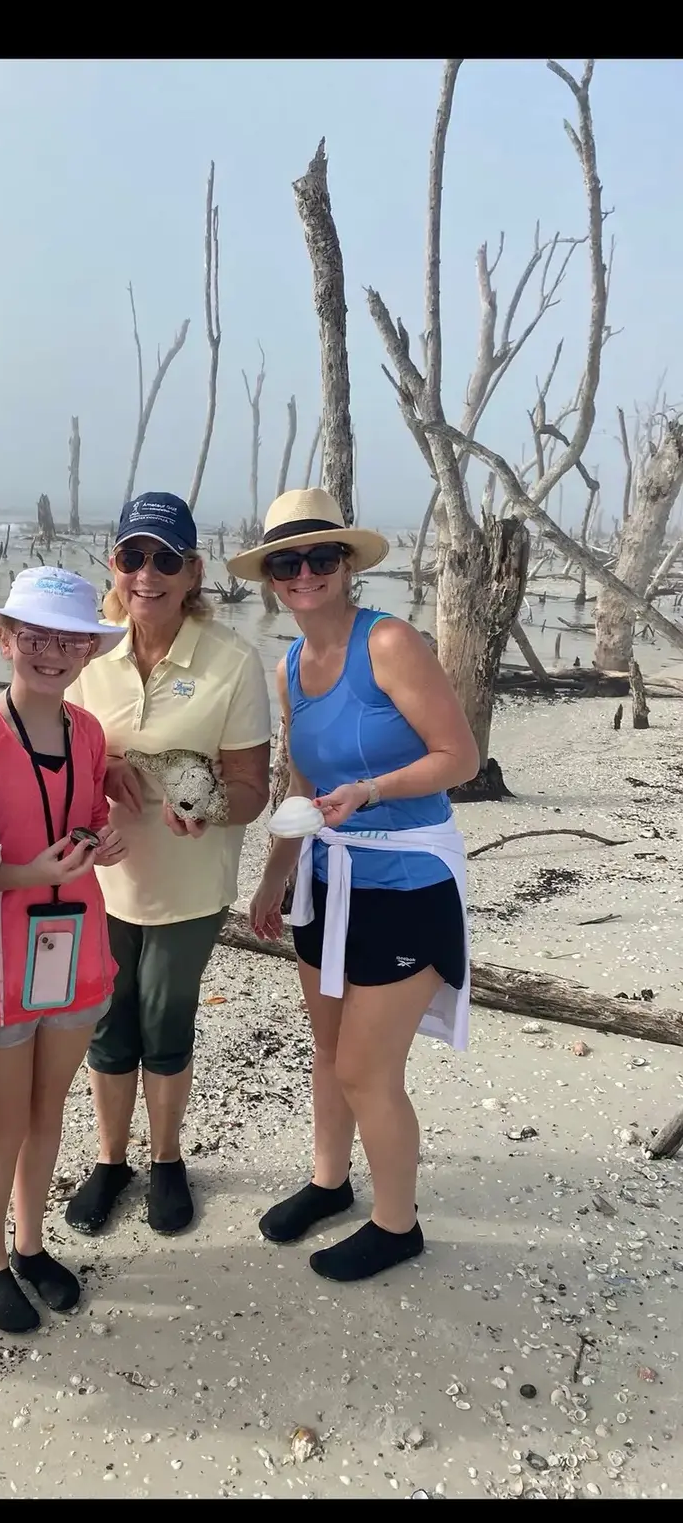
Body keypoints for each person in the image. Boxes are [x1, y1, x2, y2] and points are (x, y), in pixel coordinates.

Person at [236, 489, 479, 1283]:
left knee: (366, 1071)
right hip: (327, 879)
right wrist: (275, 873)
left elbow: (459, 756)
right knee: (331, 1051)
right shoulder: (290, 667)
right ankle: (329, 1181)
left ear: (345, 566)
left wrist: (374, 790)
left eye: (319, 557)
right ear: (271, 578)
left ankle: (396, 1223)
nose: (304, 573)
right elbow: (301, 779)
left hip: (407, 883)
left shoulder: (391, 643)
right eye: (286, 562)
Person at [63, 491, 272, 1239]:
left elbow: (253, 788)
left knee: (163, 1016)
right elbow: (56, 759)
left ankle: (169, 1159)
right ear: (114, 565)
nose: (146, 574)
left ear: (193, 571)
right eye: (132, 556)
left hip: (189, 885)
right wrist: (102, 770)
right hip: (100, 879)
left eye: (165, 559)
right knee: (106, 1024)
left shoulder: (232, 663)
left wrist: (210, 806)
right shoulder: (87, 656)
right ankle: (112, 1160)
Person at [0, 569, 128, 1333]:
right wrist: (24, 874)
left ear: (88, 649)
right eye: (36, 637)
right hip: (0, 961)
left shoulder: (88, 733)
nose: (50, 653)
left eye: (68, 639)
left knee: (49, 1106)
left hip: (77, 950)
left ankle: (29, 1243)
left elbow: (86, 818)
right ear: (9, 640)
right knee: (1, 1117)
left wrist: (102, 841)